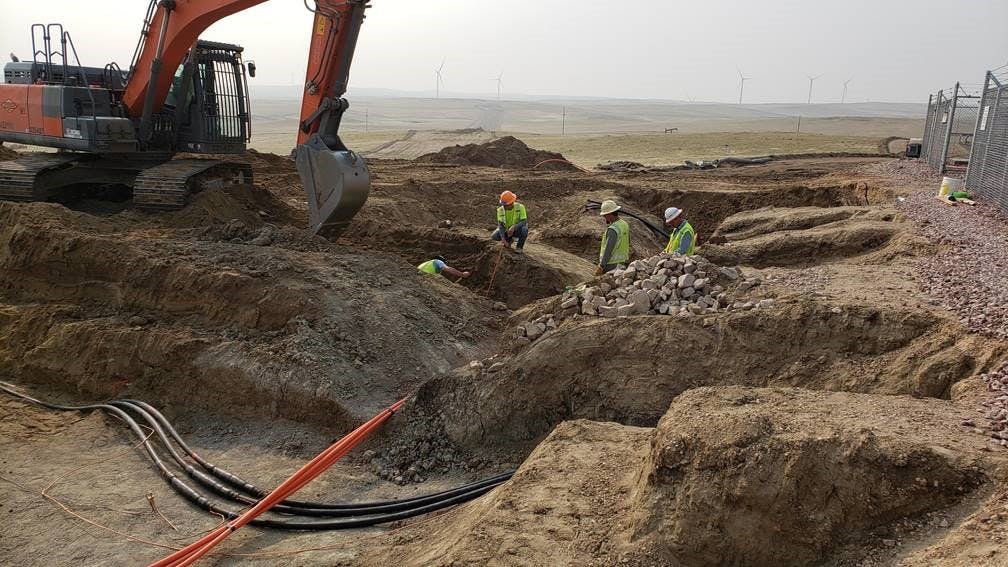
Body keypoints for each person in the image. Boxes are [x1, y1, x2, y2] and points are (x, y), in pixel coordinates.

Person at [595, 199, 630, 275]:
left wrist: (601, 266)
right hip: (623, 262)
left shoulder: (613, 229)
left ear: (609, 214)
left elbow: (608, 249)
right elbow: (628, 243)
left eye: (605, 215)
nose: (604, 217)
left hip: (611, 265)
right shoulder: (624, 224)